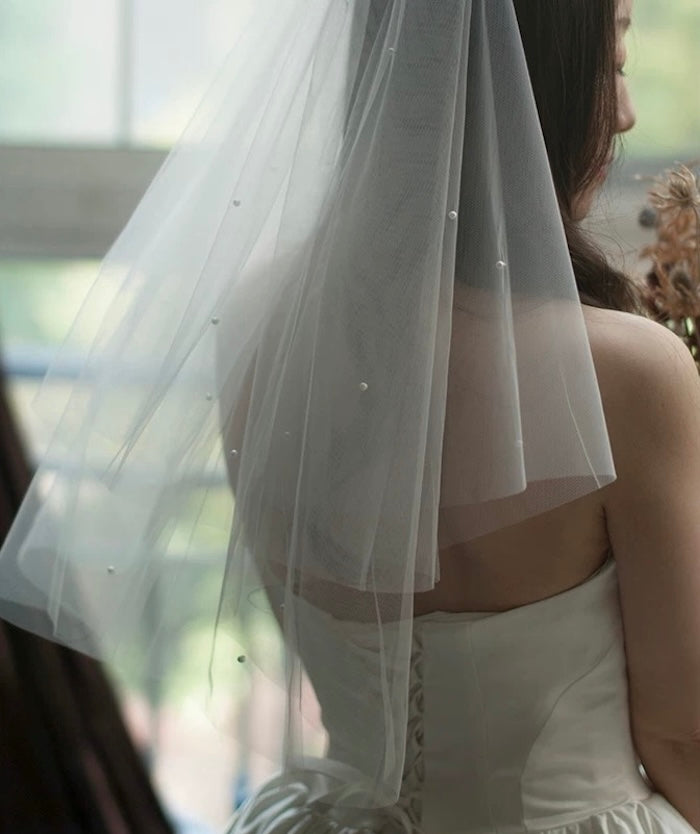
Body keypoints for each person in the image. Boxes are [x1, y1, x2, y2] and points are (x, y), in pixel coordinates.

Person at [0, 1, 698, 833]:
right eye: (614, 63)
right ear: (538, 72)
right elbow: (681, 734)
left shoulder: (261, 329)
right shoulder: (630, 374)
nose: (624, 113)